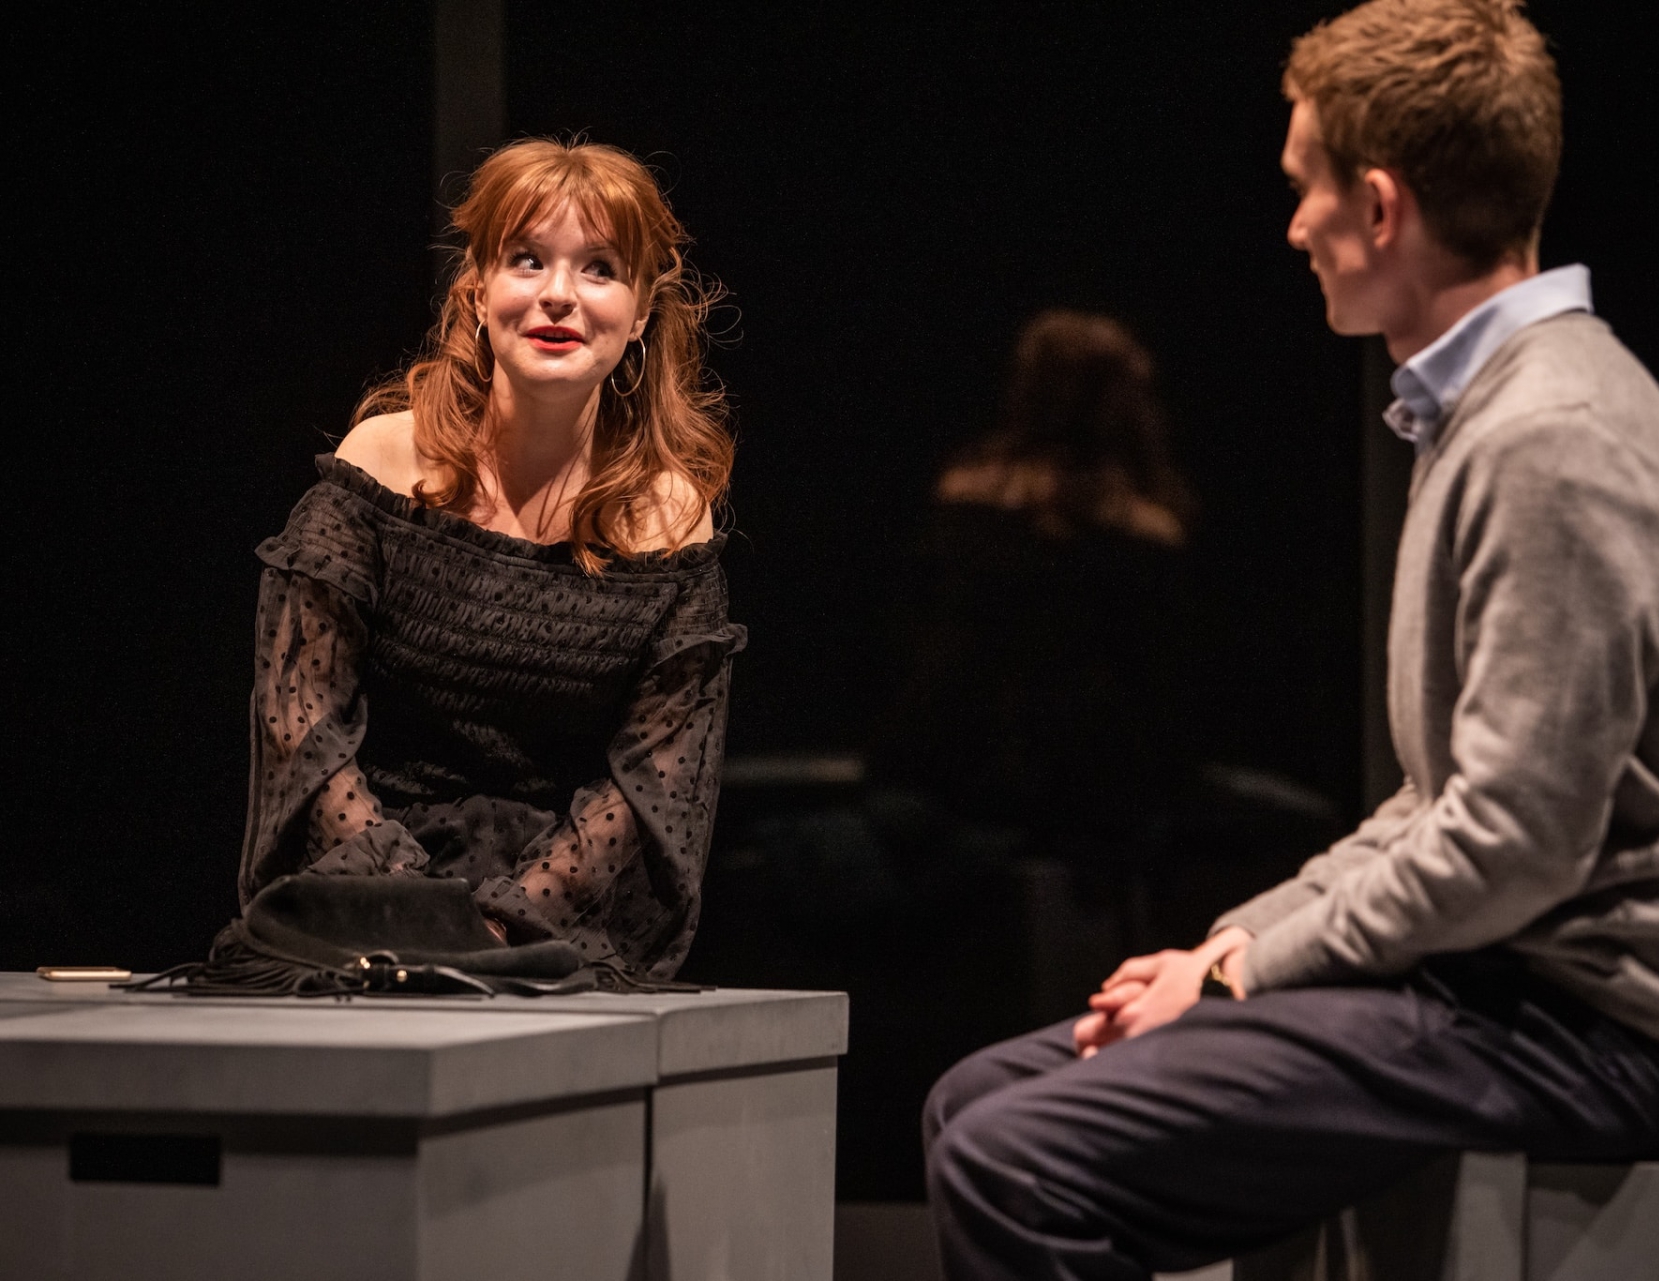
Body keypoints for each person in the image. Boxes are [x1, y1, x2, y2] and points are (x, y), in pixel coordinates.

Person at [920, 2, 1659, 1275]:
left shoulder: (1554, 440)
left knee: (1014, 1156)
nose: (1293, 228)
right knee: (974, 1106)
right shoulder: (1488, 416)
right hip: (1488, 986)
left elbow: (1514, 844)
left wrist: (1233, 983)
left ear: (1379, 208)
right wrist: (1229, 948)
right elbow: (1436, 805)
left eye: (1304, 187)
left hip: (1584, 1023)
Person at [239, 138, 745, 985]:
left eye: (599, 268)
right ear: (477, 289)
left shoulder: (669, 524)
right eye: (526, 259)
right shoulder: (381, 465)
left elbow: (651, 786)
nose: (558, 295)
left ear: (644, 310)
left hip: (559, 925)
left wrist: (504, 922)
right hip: (360, 903)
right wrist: (418, 908)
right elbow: (300, 722)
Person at [867, 309, 1197, 863]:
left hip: (948, 790)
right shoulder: (1145, 540)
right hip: (1096, 808)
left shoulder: (959, 511)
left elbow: (912, 669)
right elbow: (1166, 710)